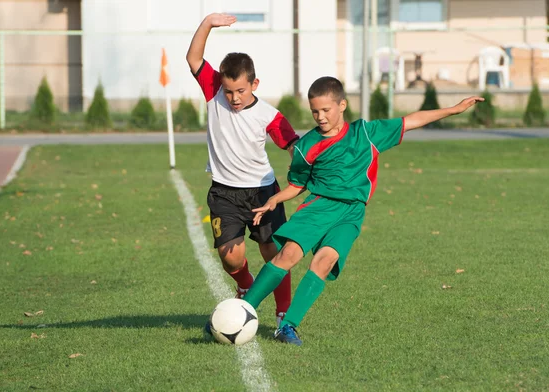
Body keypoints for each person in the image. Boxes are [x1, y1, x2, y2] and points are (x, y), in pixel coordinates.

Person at [243, 76, 484, 345]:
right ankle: (242, 311)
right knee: (287, 255)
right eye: (315, 111)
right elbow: (298, 184)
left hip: (352, 212)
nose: (320, 117)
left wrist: (453, 109)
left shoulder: (366, 133)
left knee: (325, 262)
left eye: (326, 110)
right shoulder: (306, 146)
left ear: (342, 105)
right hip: (319, 207)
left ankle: (287, 326)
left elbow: (412, 120)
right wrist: (276, 199)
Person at [186, 13, 299, 327]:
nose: (234, 98)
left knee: (273, 251)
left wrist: (301, 164)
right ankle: (246, 284)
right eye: (229, 91)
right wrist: (208, 22)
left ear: (254, 84)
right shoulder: (214, 93)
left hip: (263, 192)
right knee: (230, 256)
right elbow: (193, 57)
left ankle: (282, 313)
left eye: (240, 91)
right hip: (224, 191)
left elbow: (291, 145)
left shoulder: (269, 115)